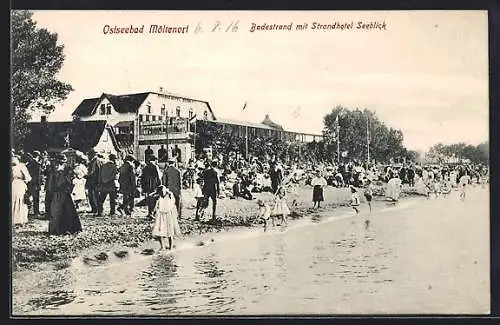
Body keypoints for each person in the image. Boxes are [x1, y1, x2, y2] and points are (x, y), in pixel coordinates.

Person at [47, 154, 82, 235]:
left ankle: (66, 228)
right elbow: (51, 181)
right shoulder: (53, 169)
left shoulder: (67, 169)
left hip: (64, 192)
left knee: (66, 210)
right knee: (58, 210)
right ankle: (58, 229)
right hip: (58, 192)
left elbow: (72, 179)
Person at [152, 185, 182, 251]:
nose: (162, 193)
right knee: (158, 231)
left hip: (168, 214)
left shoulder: (169, 195)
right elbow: (157, 203)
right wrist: (154, 211)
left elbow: (172, 202)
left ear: (165, 190)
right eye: (160, 192)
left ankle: (171, 247)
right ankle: (162, 246)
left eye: (163, 191)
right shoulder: (160, 197)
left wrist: (168, 193)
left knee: (169, 231)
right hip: (161, 214)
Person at [12, 155, 32, 225]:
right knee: (21, 200)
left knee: (14, 200)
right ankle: (19, 219)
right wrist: (26, 180)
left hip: (14, 183)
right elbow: (28, 178)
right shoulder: (22, 166)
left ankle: (13, 218)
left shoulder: (13, 166)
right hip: (20, 184)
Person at [85, 150, 102, 215]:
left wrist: (87, 176)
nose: (88, 156)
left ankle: (98, 210)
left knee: (95, 196)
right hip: (91, 180)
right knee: (91, 195)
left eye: (89, 155)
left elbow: (94, 172)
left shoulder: (96, 161)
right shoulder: (93, 161)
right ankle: (94, 209)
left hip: (94, 181)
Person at [25, 152, 42, 217]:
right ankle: (36, 212)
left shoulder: (28, 164)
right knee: (36, 198)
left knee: (27, 196)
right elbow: (38, 176)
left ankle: (27, 211)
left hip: (29, 182)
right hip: (35, 183)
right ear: (37, 156)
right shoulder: (37, 164)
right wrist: (39, 185)